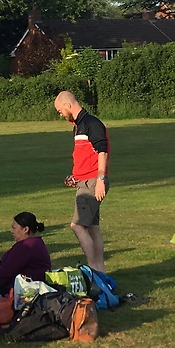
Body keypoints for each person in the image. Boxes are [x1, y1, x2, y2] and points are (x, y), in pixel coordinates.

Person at [54, 90, 110, 273]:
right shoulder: (78, 126)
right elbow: (85, 156)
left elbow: (102, 151)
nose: (61, 114)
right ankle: (100, 271)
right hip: (85, 181)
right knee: (93, 227)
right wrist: (75, 176)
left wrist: (100, 179)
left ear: (68, 105)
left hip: (92, 182)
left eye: (60, 110)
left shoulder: (91, 123)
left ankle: (93, 270)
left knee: (77, 226)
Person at [0, 212, 52, 295]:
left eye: (14, 228)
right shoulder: (37, 242)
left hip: (22, 289)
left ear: (25, 229)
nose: (12, 231)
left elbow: (8, 270)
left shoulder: (25, 246)